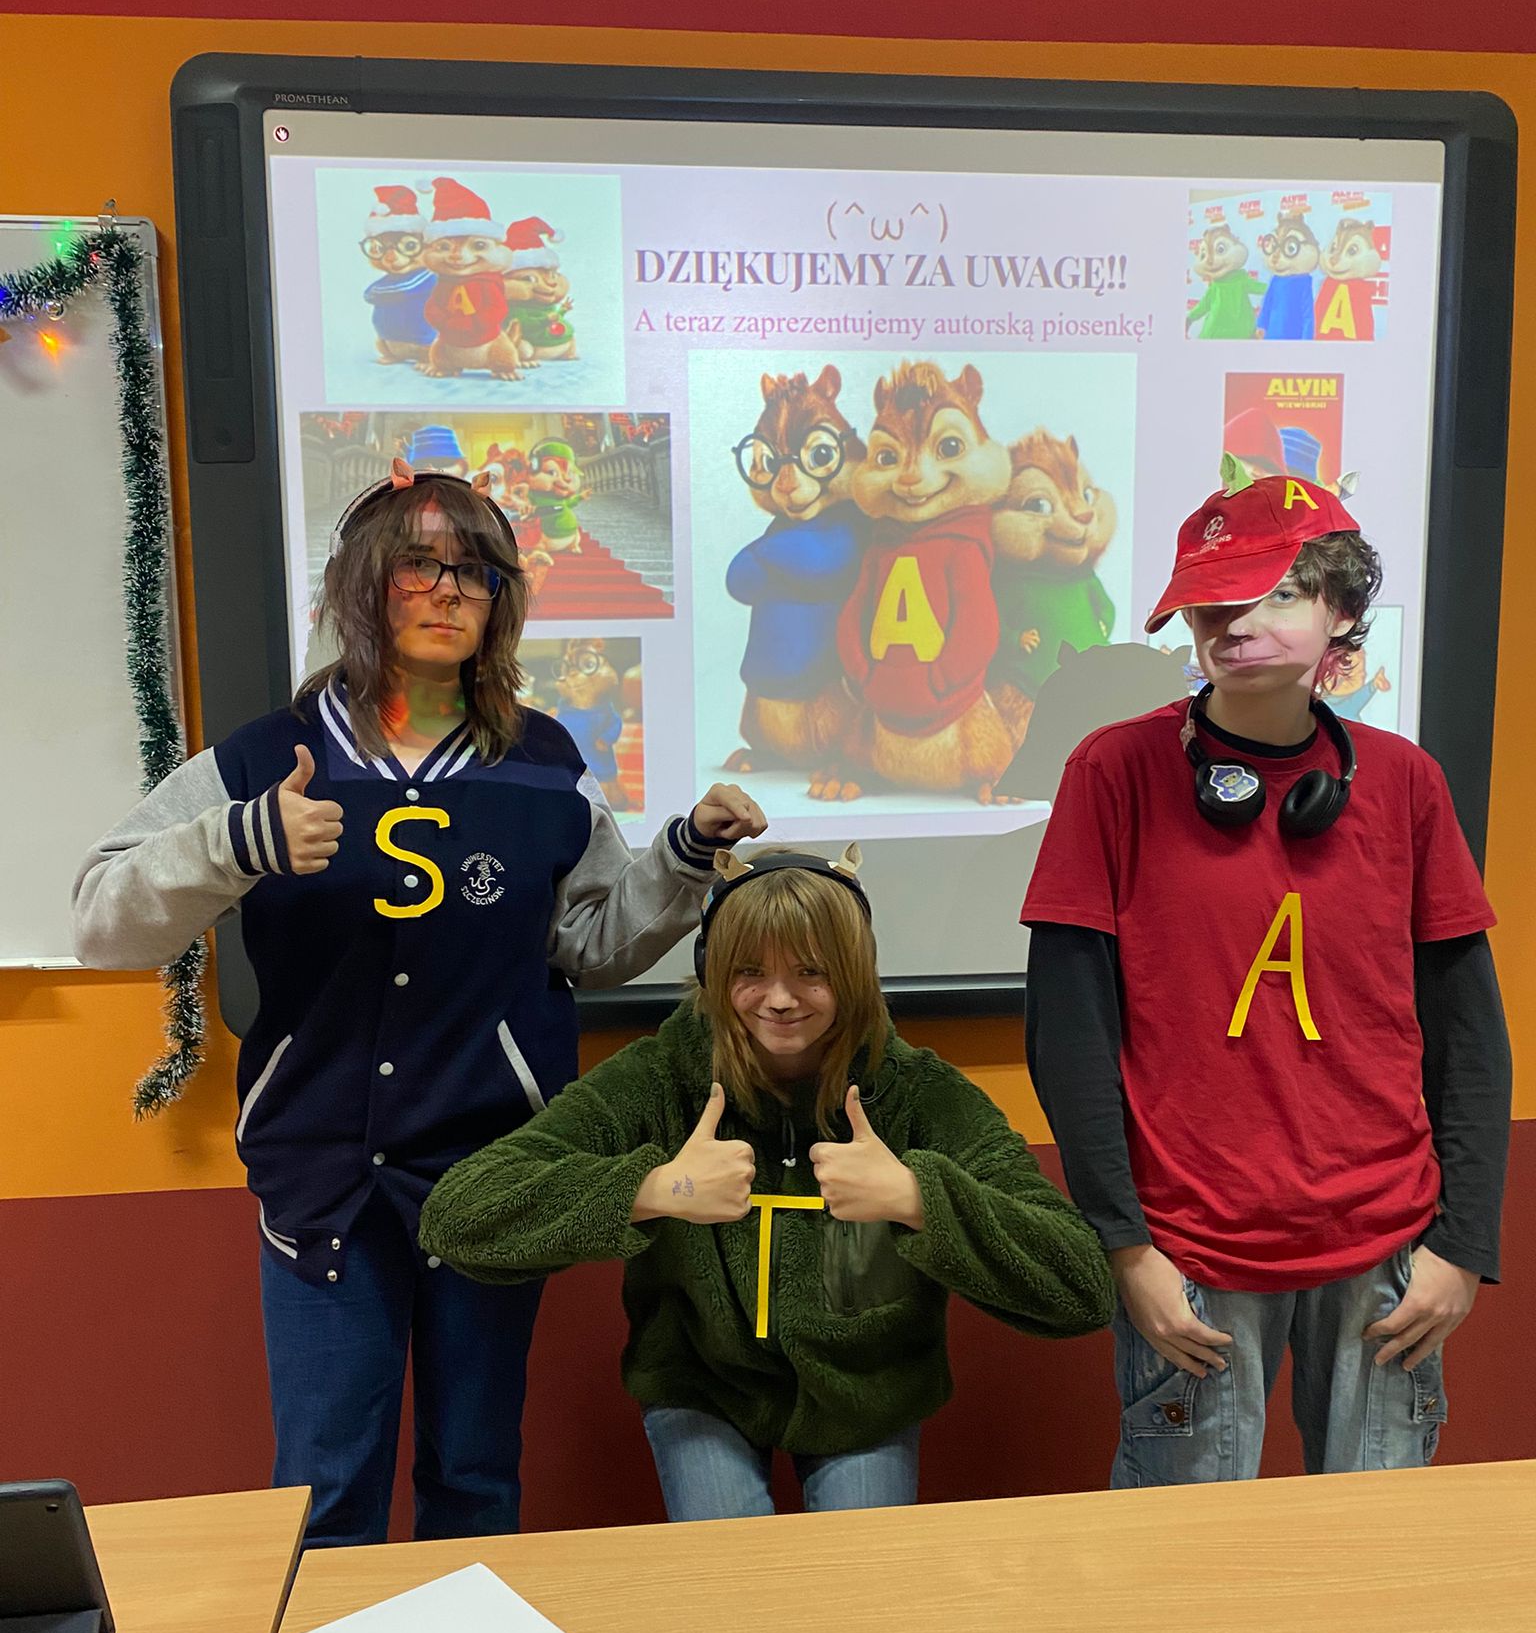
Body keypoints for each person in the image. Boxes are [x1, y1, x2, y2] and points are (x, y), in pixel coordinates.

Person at [72, 460, 765, 1546]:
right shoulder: (266, 759)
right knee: (324, 1490)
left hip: (495, 1178)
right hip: (325, 1187)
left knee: (476, 1476)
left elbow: (590, 941)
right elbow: (101, 919)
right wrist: (237, 840)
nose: (448, 590)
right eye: (418, 566)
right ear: (362, 584)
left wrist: (681, 854)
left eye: (475, 570)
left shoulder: (542, 762)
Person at [1021, 461, 1511, 1486]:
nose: (1235, 623)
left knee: (1378, 1555)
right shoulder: (1112, 773)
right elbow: (1068, 1032)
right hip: (1190, 1255)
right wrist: (1126, 1248)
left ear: (1342, 609)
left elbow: (1468, 1032)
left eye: (1278, 593)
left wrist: (1462, 1246)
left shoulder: (1408, 784)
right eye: (1211, 603)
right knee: (1183, 1562)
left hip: (1386, 1249)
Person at [419, 847, 1114, 1523]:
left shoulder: (918, 1093)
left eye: (811, 972)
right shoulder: (658, 1077)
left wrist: (916, 1199)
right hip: (702, 1386)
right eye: (749, 972)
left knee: (856, 1583)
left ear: (855, 974)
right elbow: (458, 1215)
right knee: (734, 1578)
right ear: (711, 969)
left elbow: (1079, 1286)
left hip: (869, 1394)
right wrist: (655, 1189)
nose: (779, 1000)